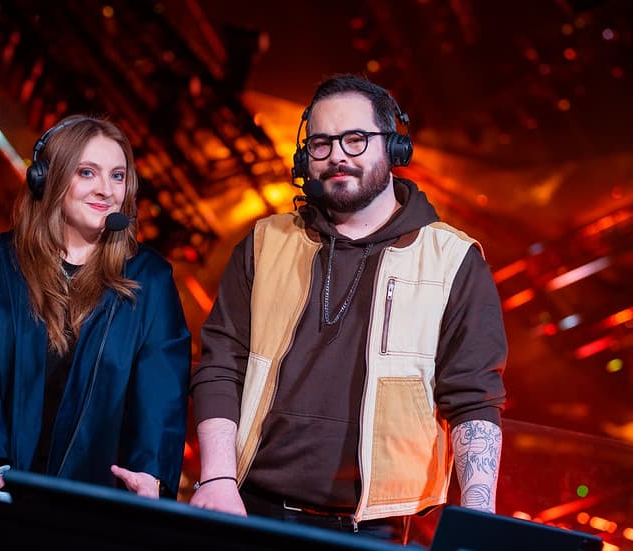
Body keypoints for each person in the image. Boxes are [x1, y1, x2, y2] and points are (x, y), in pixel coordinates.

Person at [188, 74, 506, 543]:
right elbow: (220, 366)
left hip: (373, 528)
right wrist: (216, 478)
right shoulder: (264, 242)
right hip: (249, 506)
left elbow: (474, 399)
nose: (338, 155)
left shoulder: (452, 259)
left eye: (355, 139)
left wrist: (480, 528)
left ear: (393, 148)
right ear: (305, 159)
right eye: (321, 143)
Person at [0, 115, 192, 500]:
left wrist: (149, 476)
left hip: (95, 503)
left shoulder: (150, 279)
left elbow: (160, 395)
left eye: (118, 176)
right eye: (87, 172)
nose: (106, 190)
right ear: (47, 179)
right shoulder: (0, 263)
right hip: (0, 491)